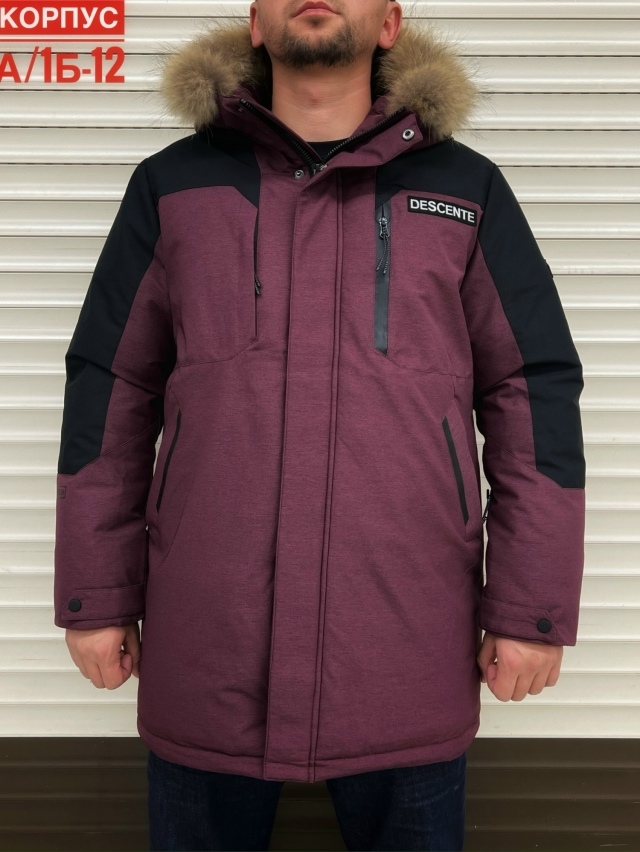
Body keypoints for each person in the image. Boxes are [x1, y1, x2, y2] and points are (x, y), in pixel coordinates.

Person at [52, 0, 586, 849]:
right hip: (209, 643)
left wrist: (530, 606)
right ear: (255, 24)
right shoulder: (173, 185)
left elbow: (534, 391)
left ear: (390, 24)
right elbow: (109, 389)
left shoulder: (465, 188)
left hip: (406, 644)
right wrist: (97, 594)